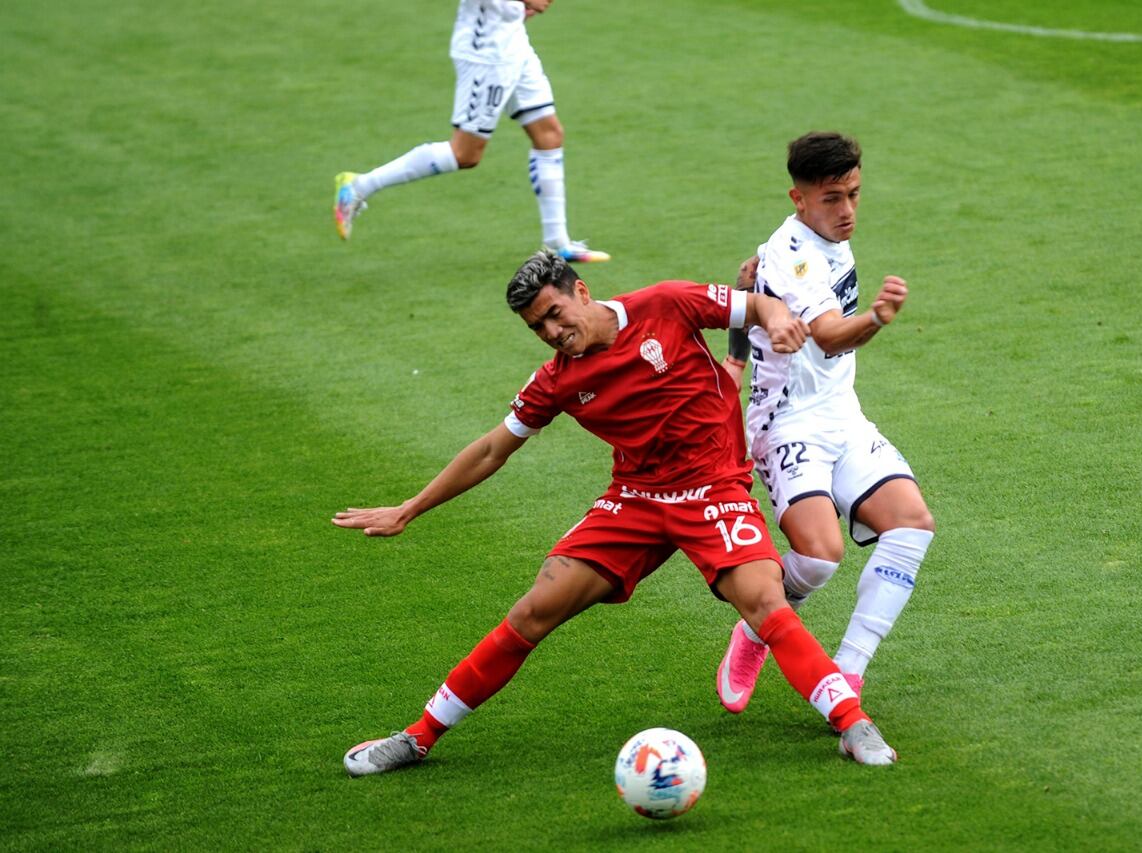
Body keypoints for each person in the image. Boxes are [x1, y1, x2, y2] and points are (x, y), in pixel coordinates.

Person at [333, 249, 897, 777]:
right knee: (534, 610)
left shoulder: (665, 303)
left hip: (713, 491)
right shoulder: (555, 380)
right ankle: (419, 736)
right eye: (537, 327)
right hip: (635, 499)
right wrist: (410, 509)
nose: (552, 332)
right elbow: (491, 449)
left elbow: (758, 304)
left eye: (554, 314)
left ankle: (852, 723)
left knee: (765, 603)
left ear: (580, 291)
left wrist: (773, 321)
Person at [716, 132, 936, 758]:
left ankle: (847, 671)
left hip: (842, 416)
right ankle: (756, 626)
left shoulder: (827, 238)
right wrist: (878, 318)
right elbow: (833, 337)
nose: (848, 211)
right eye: (833, 198)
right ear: (799, 198)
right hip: (786, 424)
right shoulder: (795, 252)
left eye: (855, 195)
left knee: (913, 524)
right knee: (819, 557)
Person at [332, 0, 609, 263]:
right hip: (485, 54)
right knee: (465, 153)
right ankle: (358, 187)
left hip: (513, 42)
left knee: (549, 134)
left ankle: (558, 243)